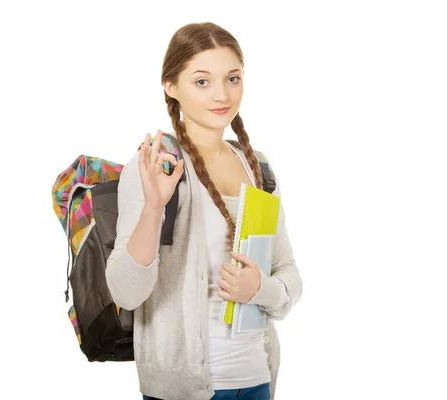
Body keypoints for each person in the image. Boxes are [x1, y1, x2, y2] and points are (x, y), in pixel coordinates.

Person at [105, 22, 303, 400]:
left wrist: (262, 289)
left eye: (232, 78)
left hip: (257, 379)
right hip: (184, 389)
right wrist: (153, 206)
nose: (221, 94)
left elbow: (290, 274)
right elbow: (126, 292)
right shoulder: (156, 165)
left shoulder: (255, 166)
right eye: (202, 81)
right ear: (170, 85)